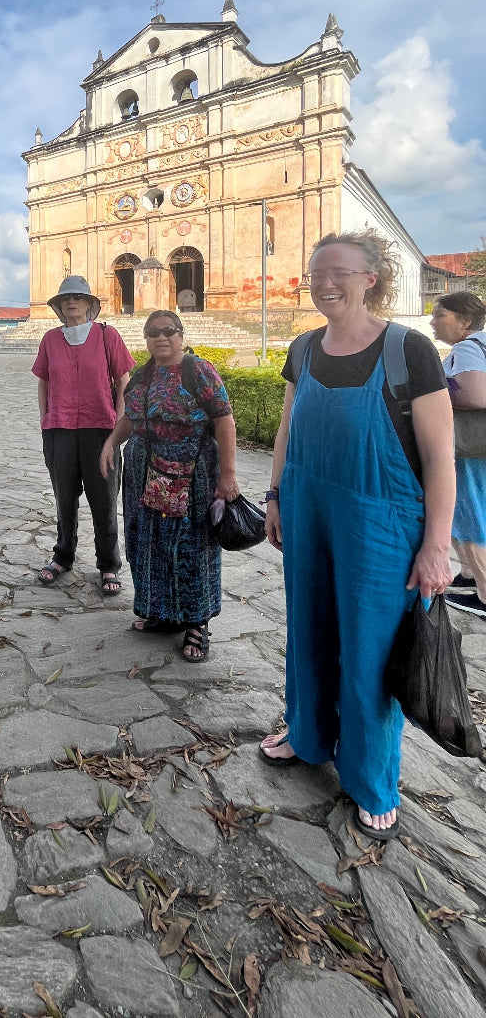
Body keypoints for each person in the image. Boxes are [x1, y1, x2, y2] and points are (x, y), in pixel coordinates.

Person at [261, 230, 454, 841]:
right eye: (316, 272)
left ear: (371, 278)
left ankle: (372, 779)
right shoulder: (302, 348)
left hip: (383, 522)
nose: (324, 283)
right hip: (308, 508)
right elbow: (289, 427)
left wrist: (435, 546)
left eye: (338, 272)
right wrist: (275, 498)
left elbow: (440, 458)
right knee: (309, 626)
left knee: (370, 649)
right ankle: (308, 733)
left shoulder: (409, 351)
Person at [99, 310, 238, 661]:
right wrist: (110, 443)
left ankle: (196, 622)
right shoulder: (142, 376)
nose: (161, 338)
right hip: (144, 470)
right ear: (146, 339)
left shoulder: (198, 371)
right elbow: (130, 417)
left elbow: (224, 420)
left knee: (190, 546)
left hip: (190, 470)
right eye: (153, 333)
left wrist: (228, 474)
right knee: (148, 543)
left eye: (169, 331)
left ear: (180, 334)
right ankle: (161, 612)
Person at [32, 276, 134, 595]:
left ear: (90, 304)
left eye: (77, 298)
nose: (71, 303)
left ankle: (108, 565)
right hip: (59, 430)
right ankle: (63, 556)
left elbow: (123, 380)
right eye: (65, 299)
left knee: (104, 499)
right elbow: (44, 382)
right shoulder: (50, 340)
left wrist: (119, 427)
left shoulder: (107, 335)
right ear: (60, 306)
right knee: (64, 498)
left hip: (101, 430)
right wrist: (46, 418)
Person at [431, 293, 486, 616]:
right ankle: (467, 576)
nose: (433, 321)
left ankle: (483, 593)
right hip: (478, 447)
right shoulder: (480, 344)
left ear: (464, 322)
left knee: (469, 514)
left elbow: (476, 395)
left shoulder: (467, 348)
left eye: (441, 315)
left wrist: (434, 391)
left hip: (468, 447)